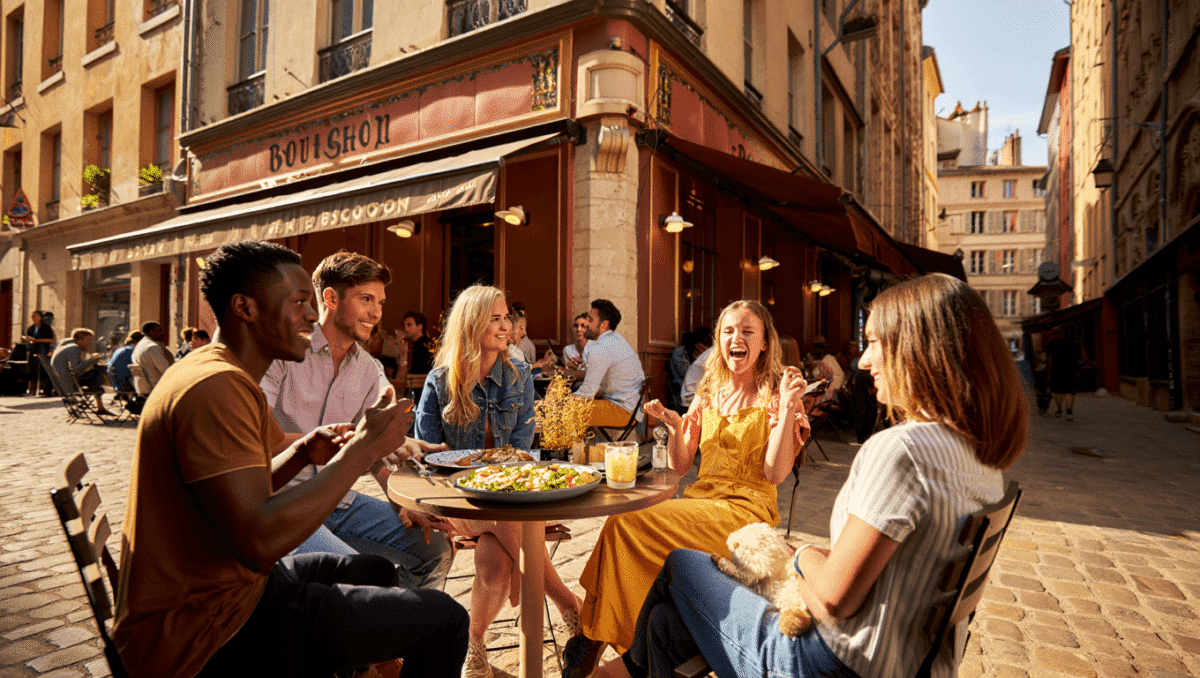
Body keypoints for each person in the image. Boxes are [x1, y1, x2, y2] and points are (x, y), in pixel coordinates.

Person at [601, 273, 1029, 678]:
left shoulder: (902, 451)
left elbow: (831, 599)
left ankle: (613, 666)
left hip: (823, 662)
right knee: (665, 623)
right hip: (900, 660)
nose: (863, 361)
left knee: (681, 564)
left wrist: (799, 554)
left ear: (921, 351)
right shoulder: (981, 458)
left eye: (875, 342)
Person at [114, 240, 468, 678]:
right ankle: (367, 657)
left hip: (233, 587)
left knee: (375, 569)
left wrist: (304, 451)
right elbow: (260, 540)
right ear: (245, 308)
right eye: (300, 302)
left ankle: (367, 657)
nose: (310, 316)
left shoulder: (222, 372)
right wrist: (362, 449)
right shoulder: (215, 388)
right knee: (447, 620)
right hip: (209, 627)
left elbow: (252, 491)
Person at [562, 300, 810, 677]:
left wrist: (789, 408)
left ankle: (594, 642)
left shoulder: (776, 394)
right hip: (700, 505)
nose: (735, 338)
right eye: (728, 331)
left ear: (764, 343)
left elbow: (775, 474)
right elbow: (680, 465)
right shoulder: (709, 391)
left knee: (623, 526)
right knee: (624, 529)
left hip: (744, 516)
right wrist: (675, 426)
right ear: (718, 340)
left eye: (747, 331)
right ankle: (607, 643)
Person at [414, 284, 582, 678]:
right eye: (496, 318)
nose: (506, 326)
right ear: (472, 324)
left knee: (496, 566)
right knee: (514, 529)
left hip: (512, 493)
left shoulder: (519, 373)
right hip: (463, 501)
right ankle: (569, 605)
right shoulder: (441, 380)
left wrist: (503, 476)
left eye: (507, 317)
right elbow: (424, 454)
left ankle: (473, 644)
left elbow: (523, 449)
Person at [260, 250, 453, 590]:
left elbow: (376, 451)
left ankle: (402, 635)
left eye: (380, 301)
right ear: (331, 298)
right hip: (281, 503)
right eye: (366, 299)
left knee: (434, 548)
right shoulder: (282, 351)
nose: (376, 312)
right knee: (357, 577)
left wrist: (401, 501)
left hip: (337, 500)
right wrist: (351, 441)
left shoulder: (368, 369)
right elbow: (258, 434)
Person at [576, 299, 646, 428]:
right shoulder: (617, 339)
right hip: (634, 408)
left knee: (563, 411)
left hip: (623, 411)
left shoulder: (601, 347)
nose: (586, 324)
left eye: (590, 320)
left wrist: (560, 400)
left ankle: (569, 448)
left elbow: (587, 392)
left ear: (603, 325)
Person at [50, 328, 111, 415]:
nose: (89, 343)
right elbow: (77, 369)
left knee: (96, 373)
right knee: (99, 371)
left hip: (64, 382)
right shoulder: (74, 348)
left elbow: (75, 367)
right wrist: (93, 360)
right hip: (71, 384)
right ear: (79, 340)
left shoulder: (65, 346)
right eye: (88, 340)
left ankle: (100, 405)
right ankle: (114, 391)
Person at [1046, 325, 1086, 421]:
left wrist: (1048, 374)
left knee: (1057, 391)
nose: (1050, 335)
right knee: (1069, 391)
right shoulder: (1073, 343)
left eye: (1051, 333)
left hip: (1057, 370)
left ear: (1055, 334)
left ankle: (1059, 410)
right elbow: (1079, 358)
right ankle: (1069, 411)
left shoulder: (1052, 344)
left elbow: (1050, 360)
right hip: (1070, 370)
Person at [131, 321, 173, 396]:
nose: (162, 333)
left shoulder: (140, 345)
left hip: (141, 386)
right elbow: (166, 369)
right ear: (152, 332)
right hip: (154, 387)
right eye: (160, 330)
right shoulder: (153, 347)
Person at [23, 310, 55, 395]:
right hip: (33, 350)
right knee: (32, 369)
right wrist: (29, 341)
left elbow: (51, 339)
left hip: (43, 350)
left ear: (40, 317)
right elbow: (30, 339)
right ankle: (32, 390)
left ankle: (43, 390)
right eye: (32, 316)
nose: (34, 318)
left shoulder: (46, 327)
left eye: (35, 316)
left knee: (43, 370)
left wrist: (37, 340)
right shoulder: (31, 328)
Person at [805, 335, 845, 404]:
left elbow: (839, 376)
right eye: (817, 346)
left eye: (821, 347)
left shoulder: (829, 359)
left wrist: (829, 391)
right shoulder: (808, 358)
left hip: (827, 396)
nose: (819, 349)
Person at [402, 310, 435, 375]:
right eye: (404, 325)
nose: (405, 329)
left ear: (420, 327)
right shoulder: (421, 343)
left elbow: (417, 372)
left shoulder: (422, 346)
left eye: (409, 325)